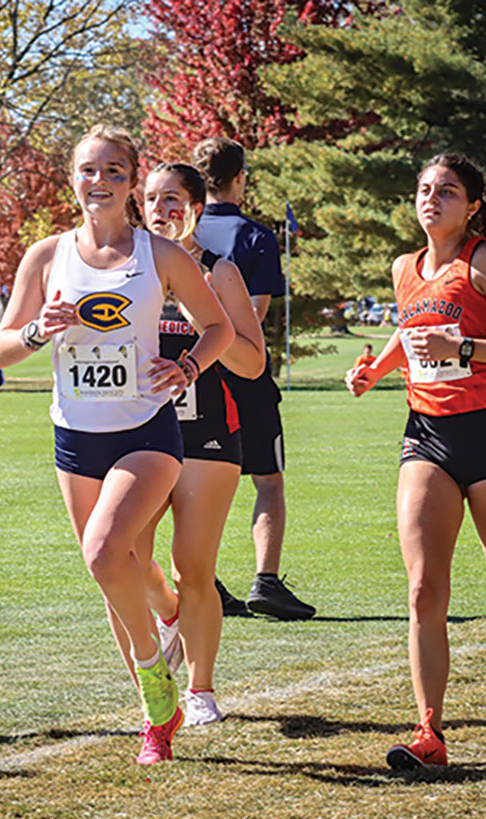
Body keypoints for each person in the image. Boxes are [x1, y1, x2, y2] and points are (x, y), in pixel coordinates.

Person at [0, 125, 234, 764]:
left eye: (113, 172)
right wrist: (39, 332)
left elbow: (220, 329)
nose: (99, 182)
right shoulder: (47, 256)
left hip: (146, 433)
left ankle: (156, 677)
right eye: (87, 171)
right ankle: (158, 697)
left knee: (104, 553)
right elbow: (2, 349)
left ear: (132, 181)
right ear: (73, 179)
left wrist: (187, 369)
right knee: (118, 573)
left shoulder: (161, 255)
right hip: (76, 436)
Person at [346, 152, 486, 769]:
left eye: (448, 191)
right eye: (425, 189)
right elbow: (411, 331)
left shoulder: (485, 261)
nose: (432, 199)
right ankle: (429, 732)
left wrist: (460, 345)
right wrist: (377, 368)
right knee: (422, 585)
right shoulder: (404, 267)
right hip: (427, 435)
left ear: (473, 204)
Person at [111, 162, 266, 727]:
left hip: (207, 436)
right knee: (127, 555)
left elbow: (253, 363)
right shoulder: (127, 272)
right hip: (138, 433)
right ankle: (168, 616)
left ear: (197, 207)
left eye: (173, 199)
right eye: (152, 199)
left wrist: (203, 345)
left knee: (192, 566)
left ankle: (200, 690)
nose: (161, 209)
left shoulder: (217, 273)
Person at [192, 136, 315, 621]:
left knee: (196, 483)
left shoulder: (180, 231)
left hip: (190, 374)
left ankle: (204, 578)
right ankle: (265, 580)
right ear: (240, 178)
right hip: (242, 372)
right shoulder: (255, 236)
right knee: (267, 481)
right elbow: (255, 313)